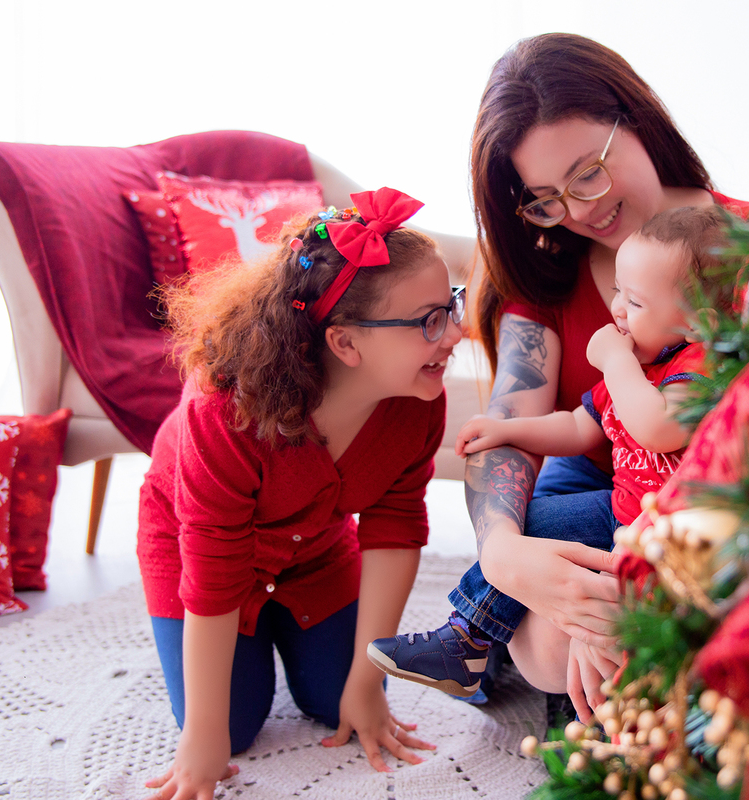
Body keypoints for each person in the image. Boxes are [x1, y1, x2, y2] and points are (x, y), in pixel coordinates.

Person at [393, 31, 749, 723]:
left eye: (588, 172)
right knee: (552, 640)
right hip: (601, 499)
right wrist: (504, 556)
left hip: (712, 522)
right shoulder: (547, 273)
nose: (581, 211)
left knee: (605, 632)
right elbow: (531, 428)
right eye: (547, 198)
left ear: (635, 118)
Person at [137, 188, 462, 800]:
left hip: (314, 550)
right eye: (430, 321)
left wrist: (365, 682)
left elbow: (394, 529)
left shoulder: (419, 400)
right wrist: (202, 735)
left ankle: (290, 633)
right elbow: (213, 565)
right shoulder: (224, 412)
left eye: (452, 307)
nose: (456, 334)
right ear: (345, 343)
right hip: (196, 549)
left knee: (343, 700)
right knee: (230, 728)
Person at [368, 206, 735, 701]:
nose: (618, 310)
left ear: (698, 323)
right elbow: (578, 427)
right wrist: (508, 429)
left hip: (680, 539)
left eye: (636, 302)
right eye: (617, 293)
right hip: (621, 514)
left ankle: (613, 712)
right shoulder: (637, 368)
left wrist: (615, 362)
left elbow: (657, 427)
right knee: (532, 524)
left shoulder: (701, 367)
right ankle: (465, 641)